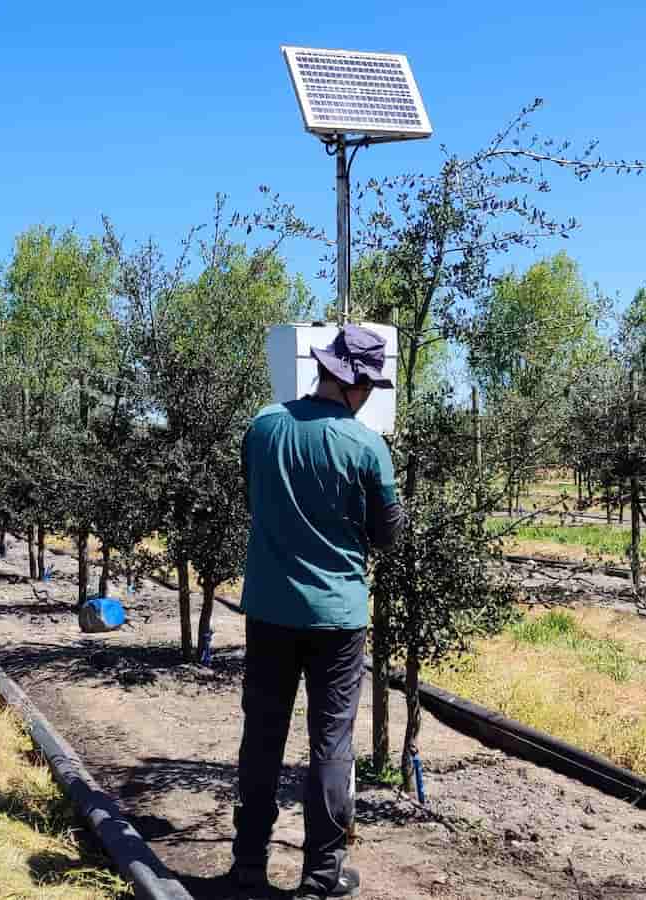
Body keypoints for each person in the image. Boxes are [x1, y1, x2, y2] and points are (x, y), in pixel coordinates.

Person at [230, 323, 405, 900]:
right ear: (356, 385)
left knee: (262, 735)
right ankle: (321, 875)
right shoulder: (366, 447)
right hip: (338, 618)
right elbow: (388, 535)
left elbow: (252, 492)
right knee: (331, 743)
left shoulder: (263, 426)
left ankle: (249, 865)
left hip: (269, 609)